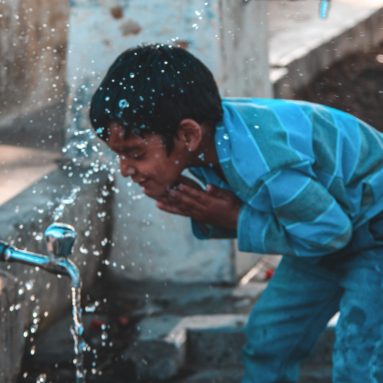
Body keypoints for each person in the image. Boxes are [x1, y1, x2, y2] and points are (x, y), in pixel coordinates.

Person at [89, 43, 383, 382]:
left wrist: (234, 219)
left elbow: (330, 233)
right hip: (329, 231)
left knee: (360, 361)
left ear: (188, 134)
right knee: (269, 338)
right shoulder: (211, 138)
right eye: (120, 156)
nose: (125, 169)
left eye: (135, 153)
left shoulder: (263, 162)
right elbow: (311, 226)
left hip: (373, 236)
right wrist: (202, 206)